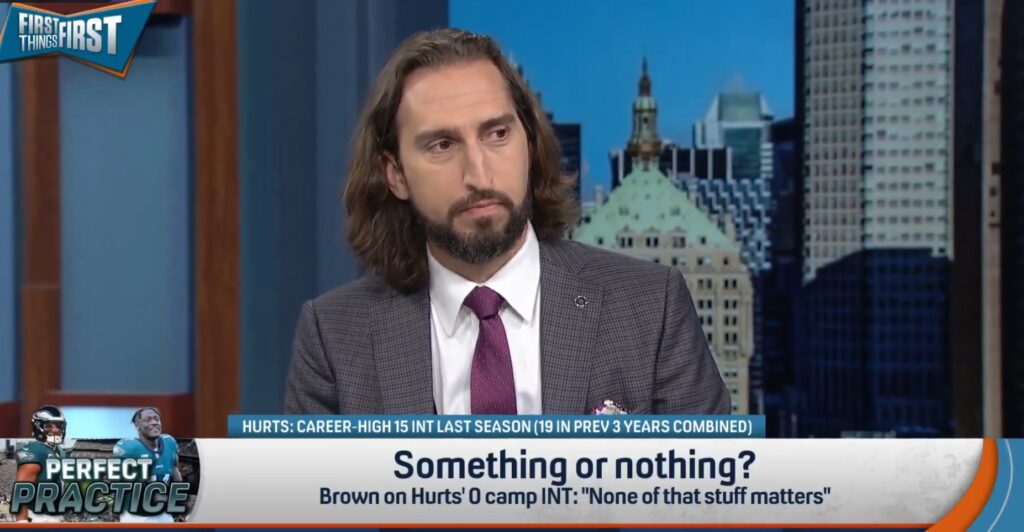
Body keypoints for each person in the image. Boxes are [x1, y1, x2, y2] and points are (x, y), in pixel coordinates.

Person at [285, 28, 730, 416]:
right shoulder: (334, 337)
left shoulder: (651, 309)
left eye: (497, 134)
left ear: (530, 143)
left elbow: (711, 486)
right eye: (442, 145)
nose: (479, 175)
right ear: (396, 173)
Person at [112, 407, 183, 523]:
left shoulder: (170, 442)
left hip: (163, 511)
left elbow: (175, 469)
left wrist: (179, 496)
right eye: (148, 420)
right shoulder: (129, 449)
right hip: (137, 515)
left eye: (156, 419)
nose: (154, 422)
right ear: (137, 425)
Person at [13, 405, 68, 523]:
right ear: (38, 426)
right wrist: (22, 523)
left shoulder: (60, 451)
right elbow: (22, 492)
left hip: (55, 517)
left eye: (58, 426)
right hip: (38, 519)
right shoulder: (35, 450)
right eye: (49, 426)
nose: (56, 430)